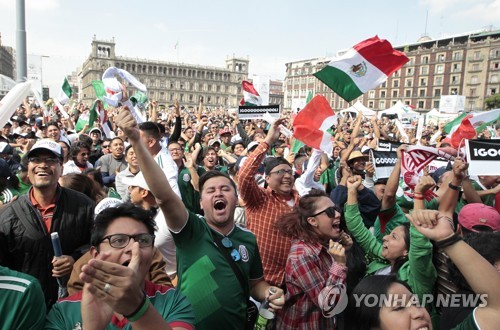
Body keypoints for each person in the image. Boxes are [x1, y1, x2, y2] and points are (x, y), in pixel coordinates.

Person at [115, 106, 285, 330]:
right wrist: (137, 141)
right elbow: (164, 195)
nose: (218, 193)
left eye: (225, 189)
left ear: (236, 198)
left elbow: (256, 285)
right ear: (201, 202)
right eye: (210, 191)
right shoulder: (191, 228)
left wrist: (270, 292)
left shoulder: (248, 239)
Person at [45, 203, 195, 329]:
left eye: (143, 240)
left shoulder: (173, 301)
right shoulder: (63, 312)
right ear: (95, 254)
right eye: (118, 240)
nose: (133, 248)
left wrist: (137, 308)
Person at [0, 139, 95, 307]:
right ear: (28, 169)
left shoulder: (83, 205)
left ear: (61, 168)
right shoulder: (8, 215)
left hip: (73, 305)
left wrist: (76, 258)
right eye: (36, 160)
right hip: (27, 306)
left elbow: (98, 244)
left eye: (50, 160)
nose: (42, 165)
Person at [344, 175, 436, 301]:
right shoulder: (383, 257)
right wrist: (352, 190)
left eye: (394, 237)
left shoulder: (417, 277)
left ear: (407, 251)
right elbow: (357, 228)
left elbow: (419, 243)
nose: (385, 238)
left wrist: (419, 194)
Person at [275, 189, 350, 329]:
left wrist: (342, 249)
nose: (338, 214)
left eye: (336, 209)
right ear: (313, 221)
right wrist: (340, 264)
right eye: (330, 212)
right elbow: (328, 304)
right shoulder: (302, 255)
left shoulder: (324, 244)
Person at [238, 118, 300, 287]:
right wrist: (267, 142)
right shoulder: (259, 198)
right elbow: (244, 176)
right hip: (261, 283)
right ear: (267, 178)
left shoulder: (301, 204)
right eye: (281, 172)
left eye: (290, 172)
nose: (287, 176)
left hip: (294, 281)